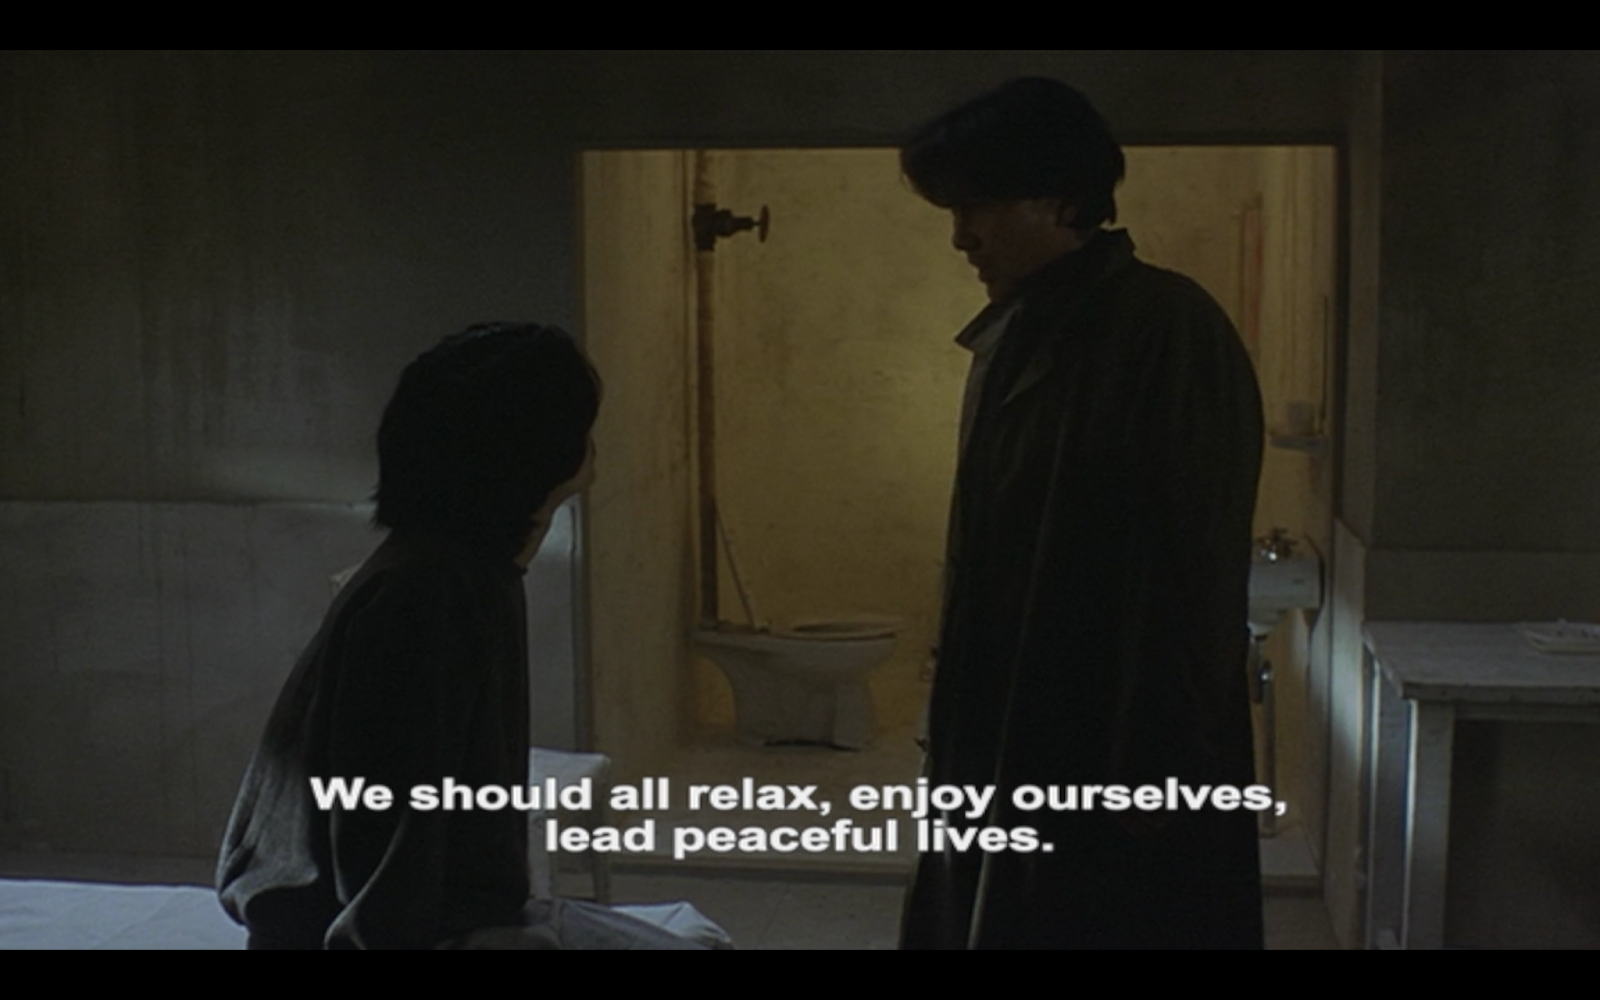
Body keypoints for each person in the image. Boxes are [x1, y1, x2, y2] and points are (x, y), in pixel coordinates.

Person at [898, 79, 1267, 950]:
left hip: (1111, 742)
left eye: (979, 206)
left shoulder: (1163, 326)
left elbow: (1193, 564)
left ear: (1063, 200)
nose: (962, 237)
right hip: (1021, 719)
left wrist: (1159, 759)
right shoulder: (1025, 331)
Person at [216, 323, 701, 949]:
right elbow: (384, 827)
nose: (593, 441)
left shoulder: (470, 571)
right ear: (533, 450)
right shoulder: (430, 593)